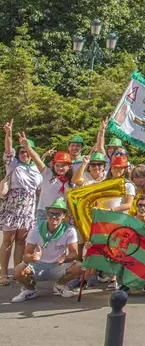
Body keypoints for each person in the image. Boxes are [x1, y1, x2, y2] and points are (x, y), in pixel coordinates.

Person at [9, 198, 81, 302]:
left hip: (58, 266)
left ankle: (60, 285)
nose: (54, 217)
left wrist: (65, 258)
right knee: (18, 270)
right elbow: (25, 255)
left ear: (64, 216)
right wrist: (33, 257)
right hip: (38, 266)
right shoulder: (36, 230)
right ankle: (30, 290)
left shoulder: (69, 230)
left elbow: (74, 253)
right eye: (51, 213)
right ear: (47, 214)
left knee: (79, 267)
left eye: (58, 214)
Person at [1, 126, 43, 287]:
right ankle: (3, 273)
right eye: (22, 152)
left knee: (21, 241)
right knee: (8, 241)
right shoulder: (13, 165)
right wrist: (9, 134)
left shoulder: (35, 169)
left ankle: (17, 271)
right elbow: (8, 151)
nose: (24, 154)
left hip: (28, 207)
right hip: (13, 207)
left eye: (27, 151)